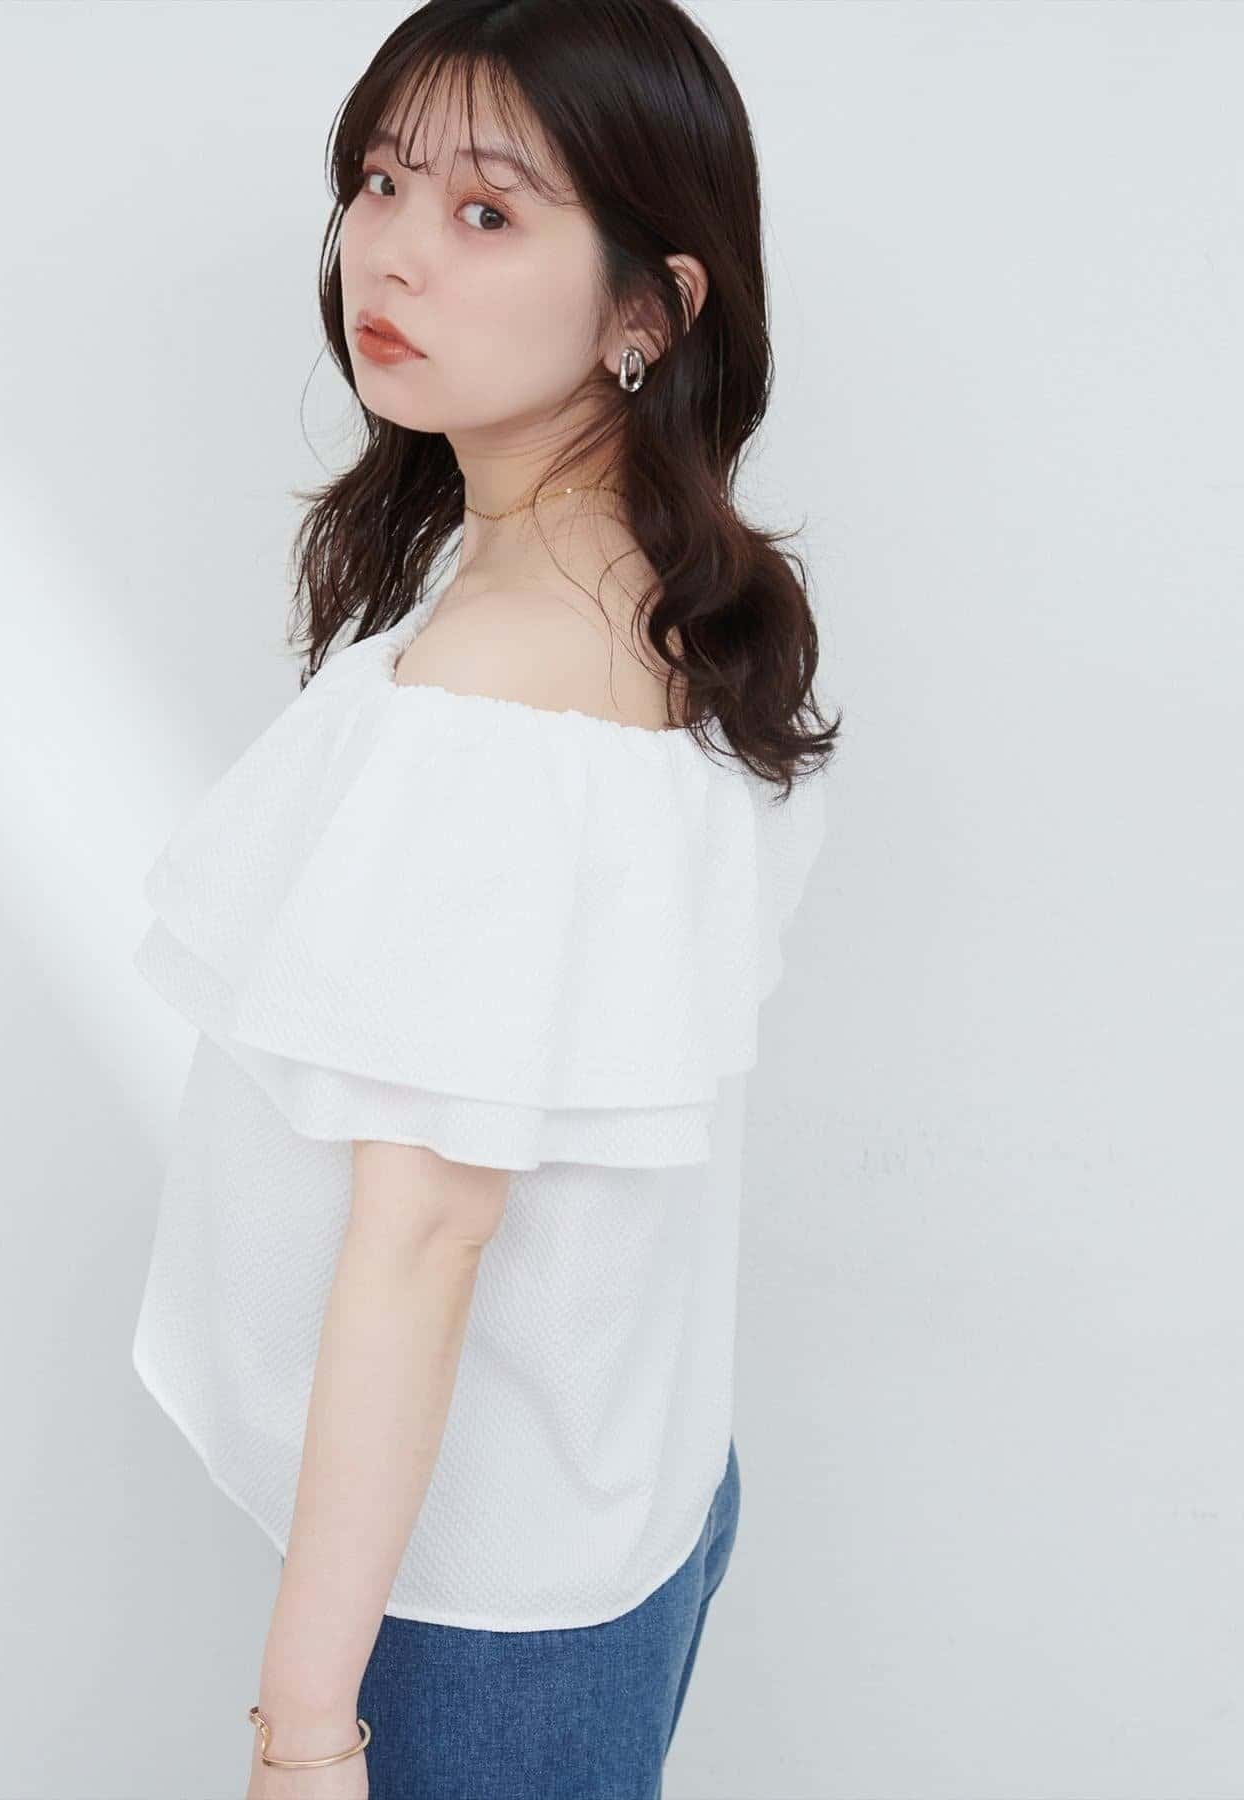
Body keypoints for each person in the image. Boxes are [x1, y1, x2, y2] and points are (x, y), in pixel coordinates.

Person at [129, 2, 840, 1795]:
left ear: (647, 311)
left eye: (487, 211)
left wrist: (305, 1734)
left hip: (480, 1605)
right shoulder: (648, 587)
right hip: (627, 1490)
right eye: (381, 182)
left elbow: (426, 1236)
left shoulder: (503, 690)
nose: (389, 251)